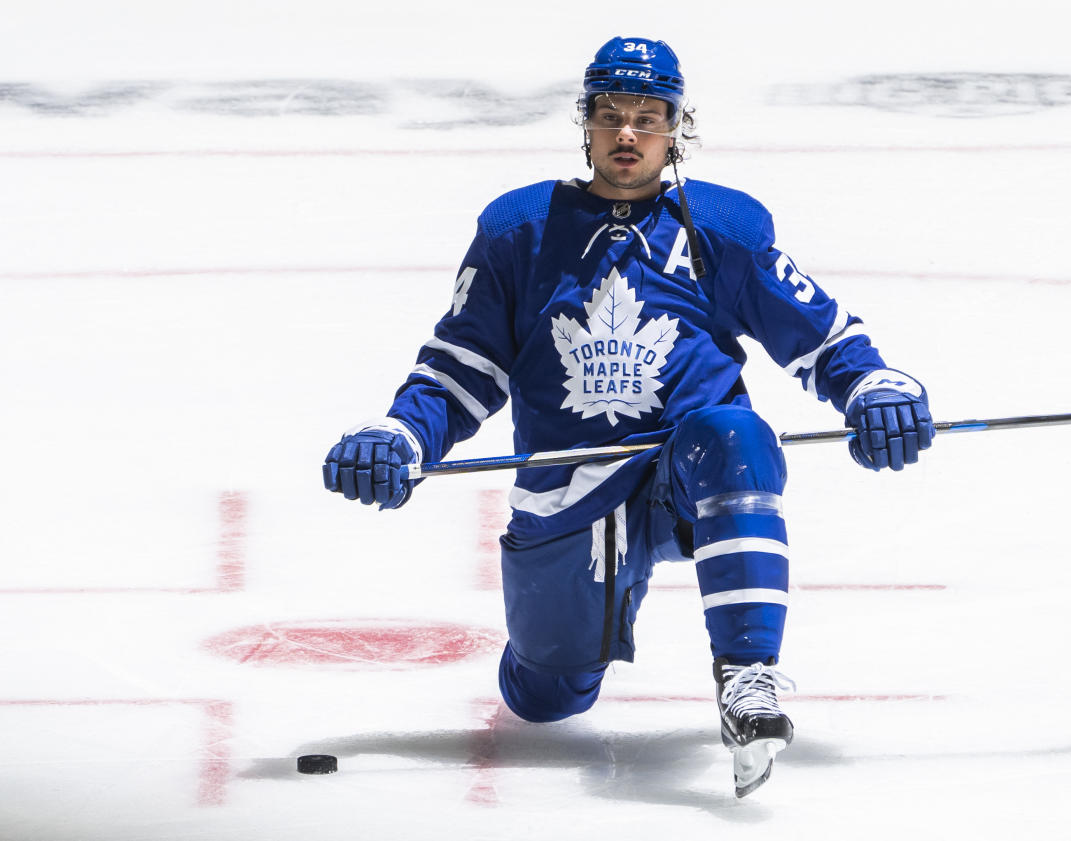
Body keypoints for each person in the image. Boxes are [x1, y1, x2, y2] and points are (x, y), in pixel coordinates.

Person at [322, 36, 934, 797]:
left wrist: (873, 386)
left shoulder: (723, 229)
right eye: (611, 115)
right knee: (546, 698)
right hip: (567, 494)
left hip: (683, 475)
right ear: (586, 123)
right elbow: (462, 365)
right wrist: (402, 433)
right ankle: (554, 649)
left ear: (677, 128)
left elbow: (822, 334)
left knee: (734, 434)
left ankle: (748, 679)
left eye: (648, 118)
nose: (627, 135)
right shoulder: (519, 230)